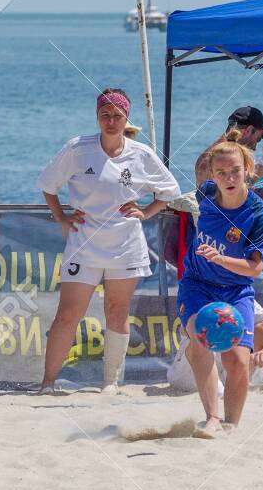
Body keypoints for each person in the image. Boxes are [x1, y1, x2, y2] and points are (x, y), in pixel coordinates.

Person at [36, 88, 180, 393]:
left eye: (117, 116)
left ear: (127, 118)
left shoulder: (141, 154)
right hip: (83, 242)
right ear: (97, 116)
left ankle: (112, 382)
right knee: (68, 314)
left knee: (117, 311)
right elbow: (48, 184)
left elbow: (170, 190)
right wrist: (61, 217)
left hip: (126, 245)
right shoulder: (78, 148)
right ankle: (48, 382)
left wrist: (147, 211)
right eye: (105, 115)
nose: (111, 121)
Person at [179, 132, 263, 437]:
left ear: (247, 169)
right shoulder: (206, 193)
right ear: (213, 175)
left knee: (237, 360)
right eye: (221, 172)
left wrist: (220, 259)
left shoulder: (258, 214)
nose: (229, 178)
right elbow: (198, 165)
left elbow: (255, 269)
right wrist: (225, 137)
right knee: (200, 338)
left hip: (236, 289)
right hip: (198, 283)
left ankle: (231, 424)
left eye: (235, 170)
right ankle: (213, 418)